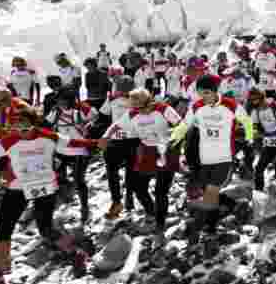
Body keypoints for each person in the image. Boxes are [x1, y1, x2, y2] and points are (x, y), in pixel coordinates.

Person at [0, 107, 93, 284]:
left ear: (33, 123)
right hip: (18, 187)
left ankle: (76, 255)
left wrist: (99, 144)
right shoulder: (9, 140)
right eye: (16, 124)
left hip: (44, 187)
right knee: (4, 229)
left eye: (25, 123)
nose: (21, 128)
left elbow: (76, 144)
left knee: (45, 229)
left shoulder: (49, 137)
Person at [174, 74, 253, 255]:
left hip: (222, 156)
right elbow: (185, 125)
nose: (204, 97)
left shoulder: (230, 105)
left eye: (207, 93)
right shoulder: (197, 107)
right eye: (201, 93)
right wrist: (174, 138)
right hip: (201, 155)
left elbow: (247, 121)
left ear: (215, 91)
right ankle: (231, 206)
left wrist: (248, 138)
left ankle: (210, 229)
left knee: (211, 192)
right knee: (206, 190)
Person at [100, 90, 181, 241]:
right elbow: (116, 125)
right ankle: (151, 212)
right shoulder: (132, 113)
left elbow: (181, 125)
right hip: (146, 151)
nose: (137, 110)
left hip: (166, 150)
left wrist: (174, 141)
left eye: (140, 106)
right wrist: (105, 136)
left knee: (160, 191)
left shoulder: (163, 109)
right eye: (134, 106)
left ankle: (160, 223)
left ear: (148, 102)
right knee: (138, 186)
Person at [46, 86, 97, 224]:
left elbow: (96, 116)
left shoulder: (82, 109)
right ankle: (62, 198)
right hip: (61, 151)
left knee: (79, 181)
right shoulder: (56, 111)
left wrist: (88, 125)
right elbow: (46, 124)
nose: (60, 103)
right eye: (58, 100)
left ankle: (85, 207)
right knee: (54, 176)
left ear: (70, 100)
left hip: (80, 150)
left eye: (62, 100)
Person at [99, 76, 138, 219]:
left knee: (112, 173)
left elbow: (102, 114)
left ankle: (116, 202)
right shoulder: (138, 102)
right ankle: (129, 198)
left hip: (115, 141)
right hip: (133, 141)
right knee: (131, 170)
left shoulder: (112, 100)